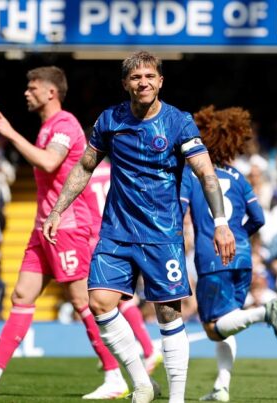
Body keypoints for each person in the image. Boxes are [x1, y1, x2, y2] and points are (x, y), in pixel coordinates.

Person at [42, 51, 236, 403]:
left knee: (167, 314)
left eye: (149, 76)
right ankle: (141, 383)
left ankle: (176, 398)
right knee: (99, 303)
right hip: (116, 231)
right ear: (125, 84)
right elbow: (85, 167)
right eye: (135, 77)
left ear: (160, 81)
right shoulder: (110, 120)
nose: (143, 82)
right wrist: (57, 210)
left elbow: (205, 172)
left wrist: (221, 223)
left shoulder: (178, 123)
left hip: (162, 236)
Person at [0, 66, 129, 399]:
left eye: (32, 87)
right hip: (43, 227)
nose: (26, 92)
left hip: (69, 225)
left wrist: (11, 134)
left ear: (51, 92)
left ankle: (115, 376)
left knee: (81, 301)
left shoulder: (64, 124)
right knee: (21, 297)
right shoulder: (47, 126)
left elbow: (49, 162)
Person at [180, 105, 277, 402]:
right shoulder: (239, 177)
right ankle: (221, 388)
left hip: (212, 256)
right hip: (242, 256)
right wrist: (240, 238)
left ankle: (263, 312)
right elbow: (259, 219)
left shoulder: (193, 174)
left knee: (213, 329)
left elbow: (179, 210)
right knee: (228, 323)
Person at [84, 158, 163, 374]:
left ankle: (144, 350)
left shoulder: (85, 170)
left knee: (103, 300)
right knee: (119, 297)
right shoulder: (116, 169)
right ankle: (140, 350)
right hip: (122, 233)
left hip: (97, 238)